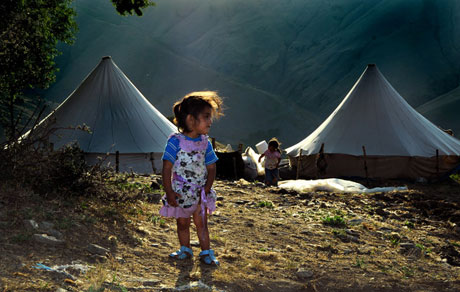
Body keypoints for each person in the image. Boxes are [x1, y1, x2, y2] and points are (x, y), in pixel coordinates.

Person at [159, 91, 223, 266]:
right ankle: (185, 249)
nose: (210, 121)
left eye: (211, 117)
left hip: (201, 192)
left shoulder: (205, 143)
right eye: (206, 116)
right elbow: (167, 167)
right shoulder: (175, 142)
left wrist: (207, 188)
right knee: (182, 223)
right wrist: (169, 192)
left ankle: (206, 253)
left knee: (202, 223)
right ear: (190, 119)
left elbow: (211, 167)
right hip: (181, 193)